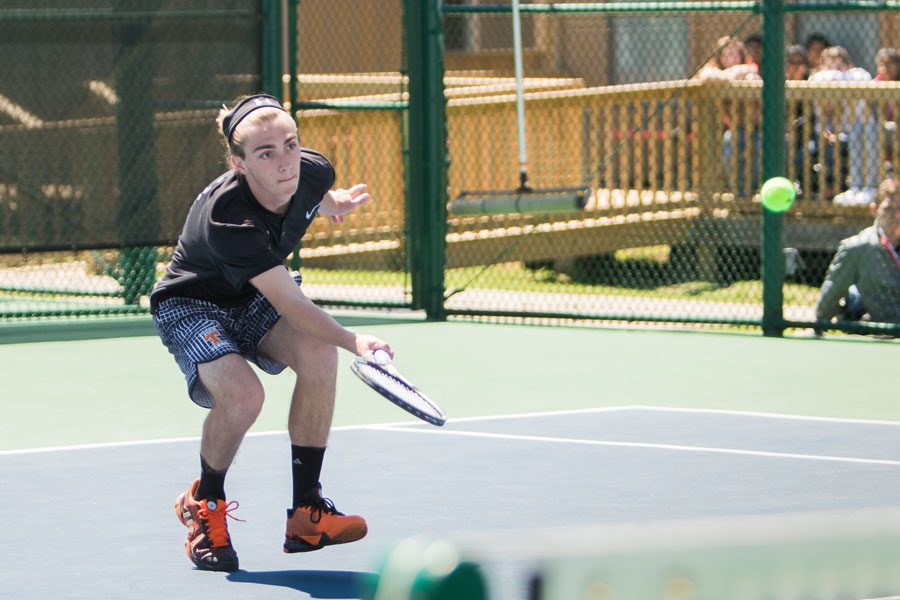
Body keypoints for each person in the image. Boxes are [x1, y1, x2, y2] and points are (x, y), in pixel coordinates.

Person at [150, 94, 393, 572]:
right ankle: (206, 505)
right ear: (239, 164)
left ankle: (307, 516)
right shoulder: (228, 218)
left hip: (252, 294)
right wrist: (355, 340)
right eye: (266, 153)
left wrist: (332, 203)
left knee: (318, 353)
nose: (285, 161)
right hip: (194, 303)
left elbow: (310, 190)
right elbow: (291, 304)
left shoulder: (313, 169)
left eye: (290, 144)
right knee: (243, 396)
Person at [815, 177, 900, 326]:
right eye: (889, 209)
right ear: (874, 210)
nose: (897, 215)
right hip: (885, 332)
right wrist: (820, 322)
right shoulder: (857, 247)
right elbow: (831, 294)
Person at [808, 46, 879, 206]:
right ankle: (851, 188)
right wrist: (831, 134)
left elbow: (864, 113)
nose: (834, 71)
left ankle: (868, 186)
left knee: (862, 130)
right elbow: (821, 126)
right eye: (830, 65)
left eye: (839, 66)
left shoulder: (857, 75)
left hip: (858, 128)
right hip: (830, 134)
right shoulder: (818, 80)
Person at [696, 36, 761, 196]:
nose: (730, 58)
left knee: (759, 148)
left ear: (741, 55)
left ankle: (757, 188)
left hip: (758, 125)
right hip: (735, 128)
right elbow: (705, 75)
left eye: (733, 54)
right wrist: (729, 77)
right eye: (725, 54)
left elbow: (750, 72)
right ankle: (738, 191)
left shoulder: (749, 68)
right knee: (729, 144)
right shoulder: (713, 69)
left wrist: (726, 77)